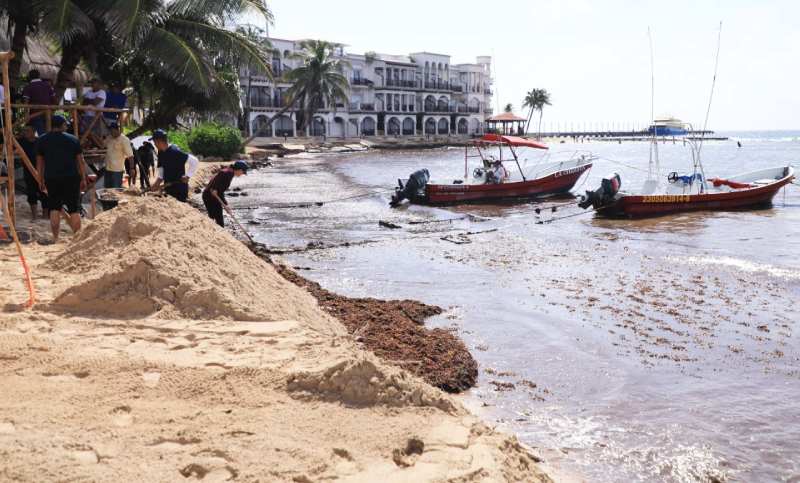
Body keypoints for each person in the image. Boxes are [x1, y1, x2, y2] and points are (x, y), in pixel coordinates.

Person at [35, 115, 87, 243]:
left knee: (54, 208)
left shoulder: (42, 140)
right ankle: (77, 239)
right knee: (74, 208)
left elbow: (40, 163)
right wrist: (83, 178)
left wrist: (40, 180)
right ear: (62, 125)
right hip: (71, 178)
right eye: (66, 124)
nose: (67, 126)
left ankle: (55, 238)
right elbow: (81, 161)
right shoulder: (73, 139)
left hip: (52, 178)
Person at [149, 129, 199, 202]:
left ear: (158, 141)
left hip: (179, 189)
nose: (154, 144)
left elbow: (194, 161)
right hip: (168, 188)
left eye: (154, 142)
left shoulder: (175, 151)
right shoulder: (160, 152)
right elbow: (161, 168)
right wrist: (157, 182)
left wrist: (188, 176)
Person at [202, 161, 248, 227]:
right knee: (218, 220)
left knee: (215, 218)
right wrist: (226, 205)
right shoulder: (227, 173)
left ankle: (212, 232)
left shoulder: (229, 172)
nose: (242, 174)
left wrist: (226, 205)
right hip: (210, 197)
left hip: (210, 195)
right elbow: (217, 190)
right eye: (243, 172)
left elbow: (219, 190)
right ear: (240, 170)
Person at [17, 125, 49, 220]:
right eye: (25, 131)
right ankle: (34, 215)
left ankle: (45, 215)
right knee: (31, 193)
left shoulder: (40, 141)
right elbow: (12, 142)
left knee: (44, 193)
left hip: (42, 171)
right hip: (28, 171)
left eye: (28, 130)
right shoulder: (22, 142)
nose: (26, 132)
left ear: (33, 131)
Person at [21, 69, 57, 135]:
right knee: (48, 132)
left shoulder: (28, 87)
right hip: (48, 113)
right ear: (39, 76)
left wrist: (26, 115)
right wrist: (52, 111)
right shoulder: (47, 85)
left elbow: (26, 102)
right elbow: (54, 100)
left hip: (35, 114)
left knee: (41, 134)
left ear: (29, 77)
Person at [103, 122, 134, 189]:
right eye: (110, 131)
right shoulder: (109, 138)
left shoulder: (124, 140)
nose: (111, 132)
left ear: (117, 130)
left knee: (115, 190)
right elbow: (102, 145)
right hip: (107, 169)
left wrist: (132, 168)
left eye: (112, 131)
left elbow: (130, 156)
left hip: (117, 171)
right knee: (107, 190)